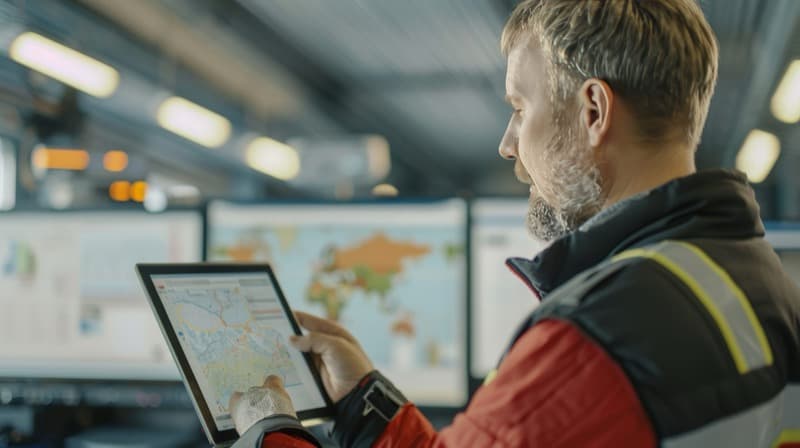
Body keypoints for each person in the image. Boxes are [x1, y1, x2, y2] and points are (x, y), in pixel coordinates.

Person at [229, 0, 800, 447]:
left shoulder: (596, 336)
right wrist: (363, 402)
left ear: (594, 111)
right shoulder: (756, 279)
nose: (508, 144)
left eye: (521, 109)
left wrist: (270, 433)